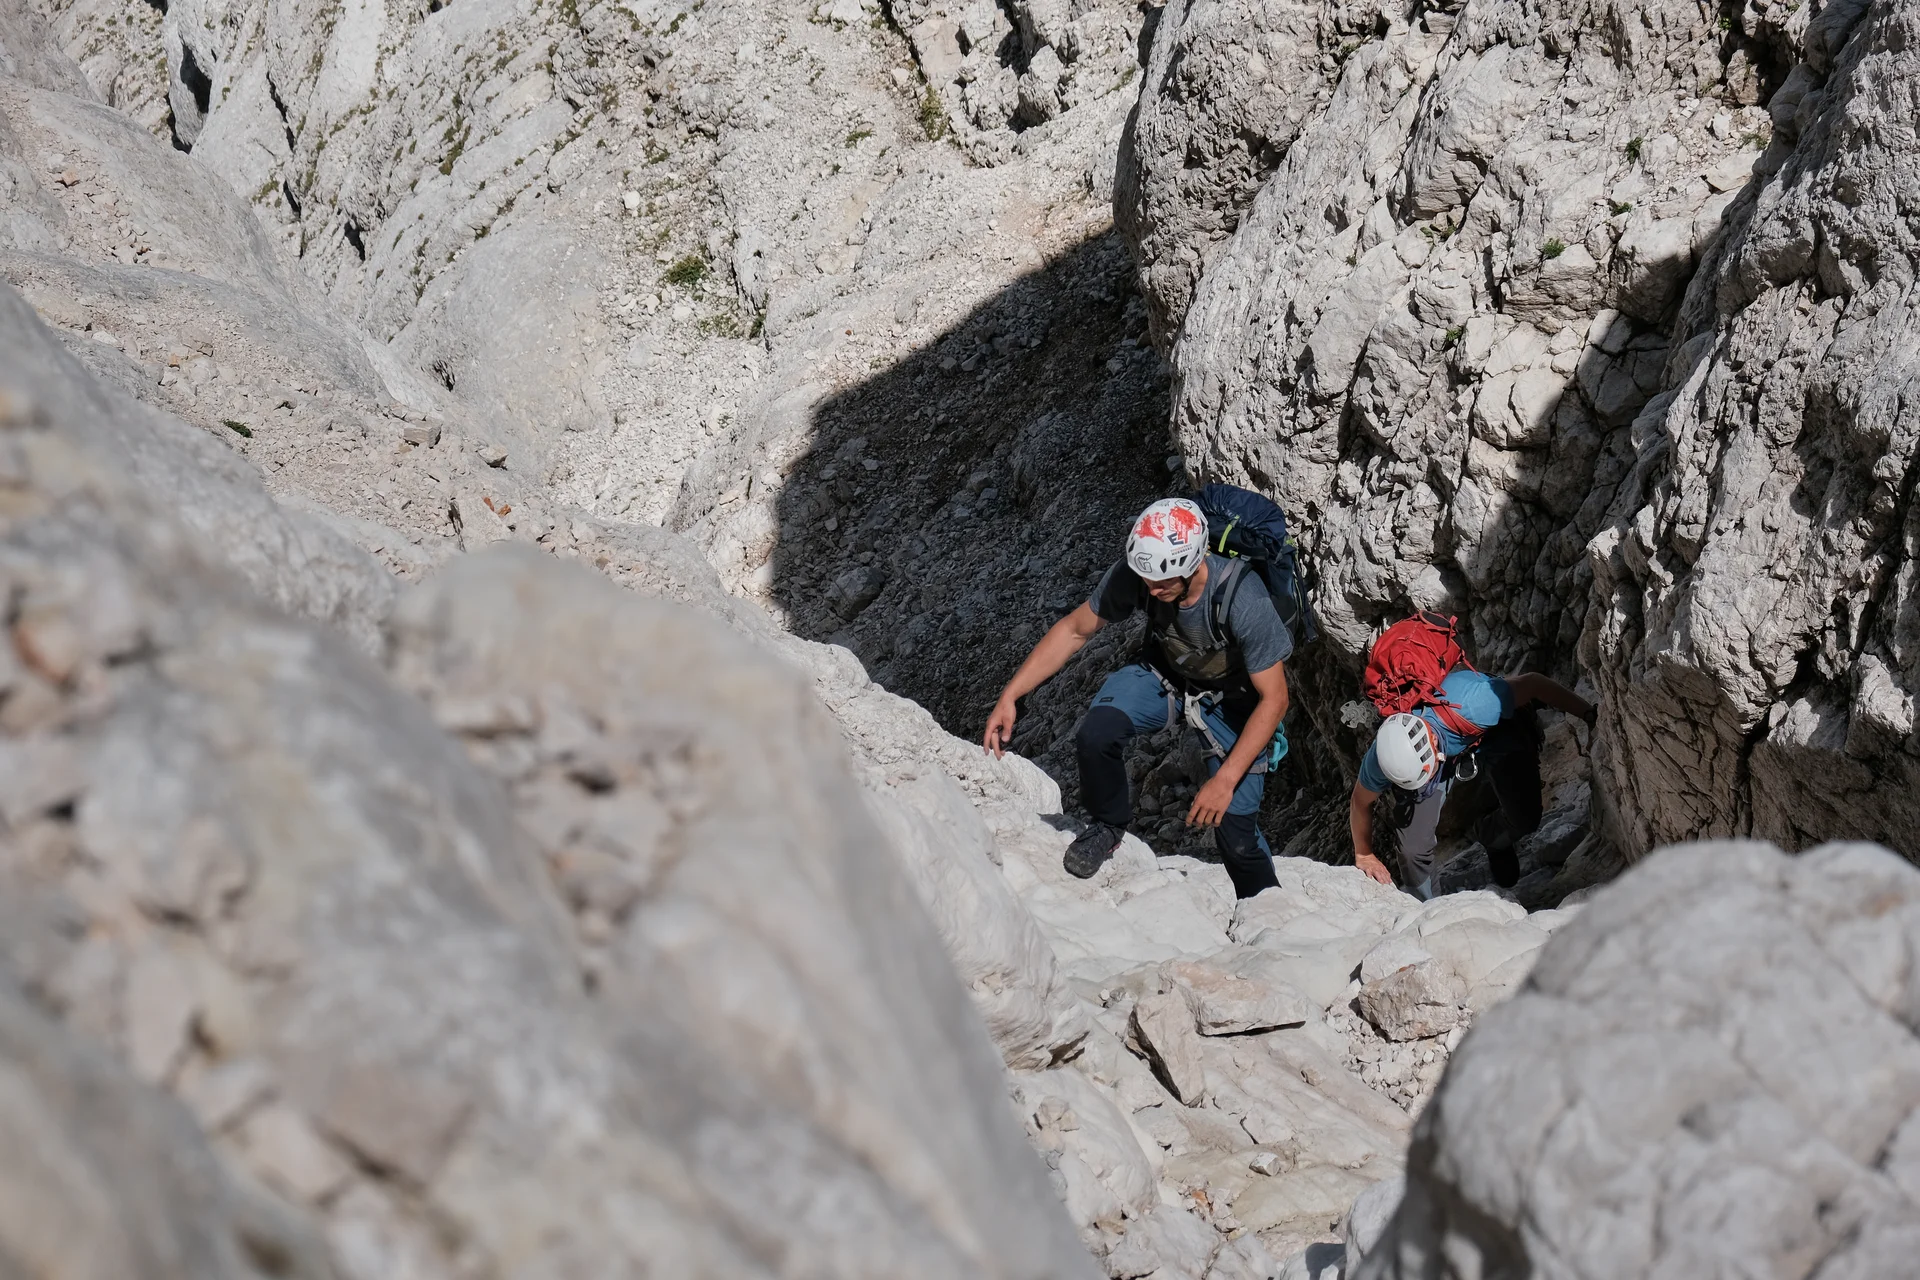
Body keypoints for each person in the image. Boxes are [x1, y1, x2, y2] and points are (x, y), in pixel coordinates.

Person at [983, 497, 1294, 898]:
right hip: (1166, 672)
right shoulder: (1144, 574)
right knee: (1097, 734)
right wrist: (1011, 694)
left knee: (1236, 834)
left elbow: (1275, 700)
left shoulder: (1244, 599)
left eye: (1163, 582)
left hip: (1234, 701)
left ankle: (1266, 905)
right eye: (1147, 580)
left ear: (1193, 565)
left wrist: (1225, 779)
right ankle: (1108, 827)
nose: (1151, 589)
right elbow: (1075, 629)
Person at [1349, 663, 1595, 897]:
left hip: (1491, 731)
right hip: (1443, 747)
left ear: (1433, 746)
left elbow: (1534, 683)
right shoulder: (1384, 757)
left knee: (1525, 818)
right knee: (1413, 850)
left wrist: (1588, 714)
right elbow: (1360, 801)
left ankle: (1492, 836)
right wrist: (1364, 854)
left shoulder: (1480, 704)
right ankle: (1426, 904)